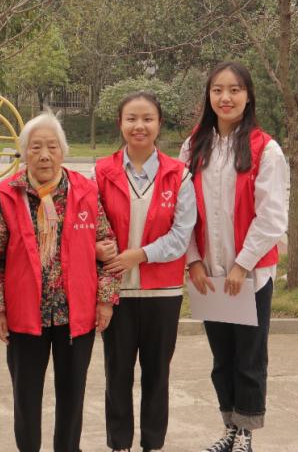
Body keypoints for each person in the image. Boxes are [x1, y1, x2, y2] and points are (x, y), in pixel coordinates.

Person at [0, 111, 119, 452]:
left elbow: (108, 249)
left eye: (52, 147)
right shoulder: (7, 194)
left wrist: (105, 300)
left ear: (63, 151)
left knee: (72, 397)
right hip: (25, 316)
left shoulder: (85, 191)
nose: (44, 155)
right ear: (24, 152)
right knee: (26, 398)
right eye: (36, 147)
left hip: (76, 314)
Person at [179, 62, 288, 452]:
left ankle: (246, 433)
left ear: (248, 96)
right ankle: (228, 426)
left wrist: (243, 265)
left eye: (235, 90)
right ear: (208, 96)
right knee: (221, 357)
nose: (225, 98)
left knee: (249, 356)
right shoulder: (194, 146)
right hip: (209, 274)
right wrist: (193, 260)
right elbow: (183, 211)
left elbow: (272, 215)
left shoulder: (265, 149)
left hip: (250, 275)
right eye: (217, 90)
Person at [94, 92, 197, 452]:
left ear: (159, 124)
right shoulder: (100, 173)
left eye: (148, 119)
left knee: (157, 376)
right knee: (116, 375)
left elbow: (182, 236)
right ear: (120, 124)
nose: (140, 126)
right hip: (116, 294)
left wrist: (139, 255)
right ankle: (119, 445)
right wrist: (98, 249)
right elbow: (89, 227)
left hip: (163, 294)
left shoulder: (179, 175)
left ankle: (153, 444)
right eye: (132, 119)